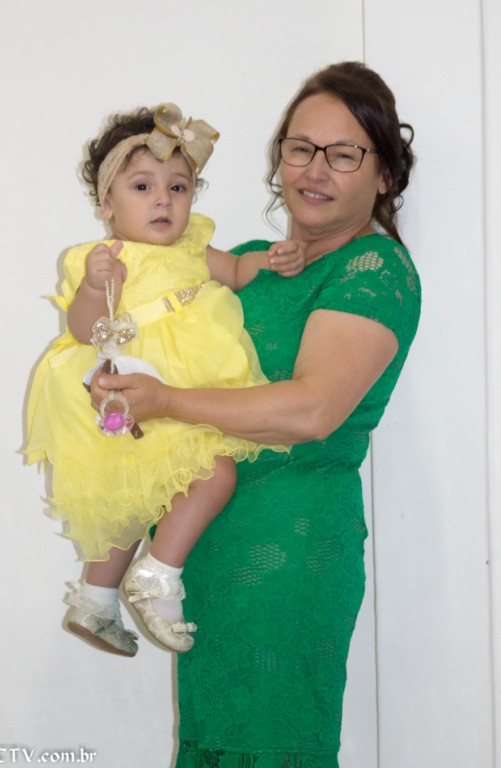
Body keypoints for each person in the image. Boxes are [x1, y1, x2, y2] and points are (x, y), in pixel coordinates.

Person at [90, 61, 421, 767]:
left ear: (384, 176)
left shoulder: (372, 270)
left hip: (288, 556)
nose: (314, 170)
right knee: (213, 747)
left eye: (344, 154)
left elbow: (311, 409)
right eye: (300, 147)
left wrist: (165, 400)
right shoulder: (244, 264)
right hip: (202, 560)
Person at [25, 103, 304, 658]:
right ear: (107, 204)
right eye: (143, 187)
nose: (163, 200)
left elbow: (237, 271)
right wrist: (94, 287)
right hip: (127, 392)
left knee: (143, 495)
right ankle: (157, 575)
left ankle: (95, 600)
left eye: (178, 187)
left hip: (176, 396)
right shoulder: (103, 258)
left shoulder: (194, 249)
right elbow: (83, 330)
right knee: (203, 476)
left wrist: (271, 261)